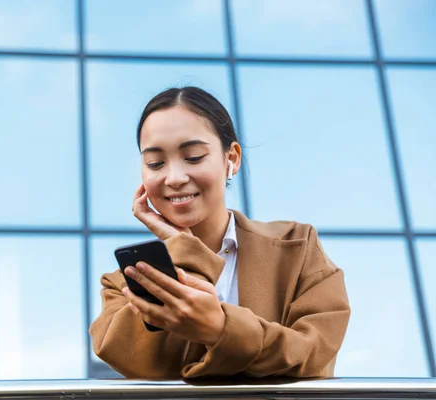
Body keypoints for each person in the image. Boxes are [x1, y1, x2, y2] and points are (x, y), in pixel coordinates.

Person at [89, 86, 350, 379]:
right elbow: (135, 361)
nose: (174, 178)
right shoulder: (124, 283)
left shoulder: (297, 247)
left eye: (194, 156)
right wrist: (183, 247)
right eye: (155, 163)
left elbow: (313, 354)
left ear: (232, 159)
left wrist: (221, 328)